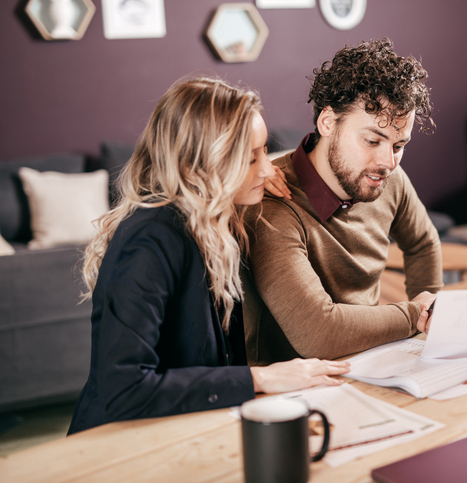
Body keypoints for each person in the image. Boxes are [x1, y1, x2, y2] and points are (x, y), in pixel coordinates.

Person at [68, 77, 349, 435]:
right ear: (200, 167)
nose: (267, 169)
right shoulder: (151, 239)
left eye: (266, 151)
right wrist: (261, 379)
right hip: (118, 446)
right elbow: (123, 390)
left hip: (185, 431)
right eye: (250, 158)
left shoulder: (214, 221)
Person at [240, 39, 442, 365]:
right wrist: (414, 315)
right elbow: (317, 333)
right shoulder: (271, 203)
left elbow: (422, 241)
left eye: (398, 145)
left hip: (372, 359)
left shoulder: (386, 178)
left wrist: (430, 311)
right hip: (293, 385)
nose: (387, 162)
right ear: (328, 123)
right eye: (372, 140)